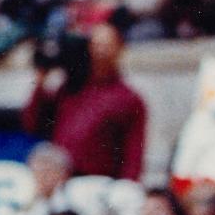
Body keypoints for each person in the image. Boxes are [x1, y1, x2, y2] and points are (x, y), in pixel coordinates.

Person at [22, 21, 147, 181]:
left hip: (97, 183)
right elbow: (31, 123)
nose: (101, 51)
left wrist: (127, 186)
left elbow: (134, 154)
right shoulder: (70, 89)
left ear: (120, 48)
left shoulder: (129, 99)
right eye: (96, 44)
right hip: (61, 180)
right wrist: (40, 79)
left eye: (107, 45)